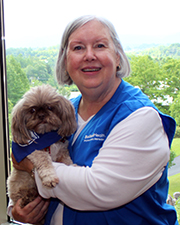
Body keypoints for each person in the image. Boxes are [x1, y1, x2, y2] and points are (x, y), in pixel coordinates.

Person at [9, 15, 178, 225]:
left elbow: (99, 189)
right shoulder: (64, 110)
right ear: (65, 61)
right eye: (78, 48)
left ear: (117, 57)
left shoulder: (140, 116)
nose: (89, 55)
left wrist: (32, 166)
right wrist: (18, 210)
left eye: (99, 45)